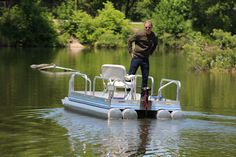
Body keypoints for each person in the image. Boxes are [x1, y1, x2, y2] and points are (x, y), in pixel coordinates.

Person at [128, 20, 158, 89]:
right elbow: (129, 40)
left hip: (145, 59)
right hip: (136, 57)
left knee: (145, 78)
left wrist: (151, 52)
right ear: (144, 27)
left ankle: (143, 96)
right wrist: (130, 52)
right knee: (130, 76)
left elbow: (155, 44)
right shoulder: (139, 34)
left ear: (151, 27)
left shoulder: (154, 36)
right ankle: (128, 94)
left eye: (149, 27)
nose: (147, 29)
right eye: (146, 27)